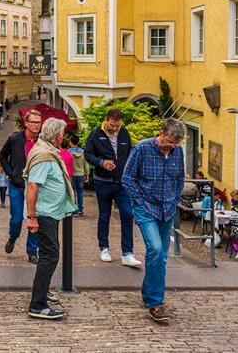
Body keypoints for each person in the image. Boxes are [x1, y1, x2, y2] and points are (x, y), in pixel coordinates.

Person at [121, 118, 186, 324]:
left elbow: (180, 178)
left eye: (176, 143)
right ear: (161, 133)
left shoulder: (178, 152)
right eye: (170, 142)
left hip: (167, 208)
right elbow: (127, 178)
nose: (173, 146)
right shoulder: (142, 149)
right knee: (156, 249)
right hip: (146, 207)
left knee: (160, 256)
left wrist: (176, 198)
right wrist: (139, 201)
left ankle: (149, 293)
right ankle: (155, 302)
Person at [24, 118, 77, 320]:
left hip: (49, 212)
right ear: (57, 136)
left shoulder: (46, 150)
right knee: (50, 255)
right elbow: (33, 186)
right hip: (43, 213)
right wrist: (31, 217)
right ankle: (37, 305)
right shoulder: (44, 156)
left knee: (49, 254)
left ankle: (42, 292)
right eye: (62, 133)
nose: (63, 136)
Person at [84, 109, 142, 267]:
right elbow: (88, 154)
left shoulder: (124, 133)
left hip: (122, 182)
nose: (114, 129)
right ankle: (104, 248)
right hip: (102, 181)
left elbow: (130, 153)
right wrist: (102, 163)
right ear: (106, 120)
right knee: (104, 215)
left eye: (117, 126)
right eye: (112, 125)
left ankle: (127, 253)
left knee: (128, 214)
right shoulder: (96, 134)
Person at [0, 109, 41, 263]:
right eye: (33, 122)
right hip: (17, 185)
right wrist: (11, 173)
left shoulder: (42, 141)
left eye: (38, 122)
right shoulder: (15, 139)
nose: (37, 125)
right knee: (16, 218)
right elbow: (2, 156)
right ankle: (13, 237)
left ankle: (32, 251)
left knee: (33, 218)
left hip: (36, 186)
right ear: (26, 123)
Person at [68, 134, 88, 216]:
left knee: (72, 192)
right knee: (80, 192)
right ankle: (80, 209)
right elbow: (86, 164)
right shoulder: (83, 152)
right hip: (81, 174)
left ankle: (74, 210)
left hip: (72, 175)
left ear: (71, 142)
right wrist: (87, 174)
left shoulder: (68, 152)